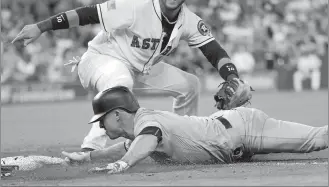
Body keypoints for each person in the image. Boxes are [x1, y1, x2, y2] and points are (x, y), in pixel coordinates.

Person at [11, 0, 250, 152]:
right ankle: (91, 149)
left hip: (140, 69)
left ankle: (180, 143)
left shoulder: (188, 20)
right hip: (101, 59)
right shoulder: (136, 4)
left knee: (190, 85)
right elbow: (88, 13)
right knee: (121, 80)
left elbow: (214, 50)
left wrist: (232, 77)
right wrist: (41, 27)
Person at [62, 86, 328, 174]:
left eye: (102, 118)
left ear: (118, 114)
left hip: (245, 130)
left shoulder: (147, 126)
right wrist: (88, 157)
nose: (98, 124)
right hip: (226, 131)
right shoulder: (141, 126)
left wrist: (123, 165)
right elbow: (133, 145)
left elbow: (146, 142)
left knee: (317, 139)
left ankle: (234, 107)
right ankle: (230, 105)